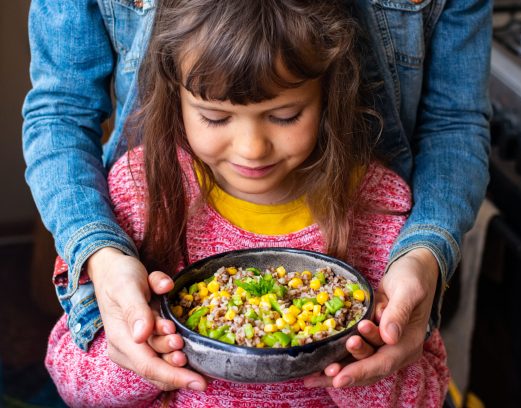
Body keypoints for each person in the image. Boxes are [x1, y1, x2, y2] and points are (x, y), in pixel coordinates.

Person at [23, 0, 490, 396]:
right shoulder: (139, 193)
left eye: (285, 115)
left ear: (332, 95)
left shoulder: (382, 205)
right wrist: (142, 357)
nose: (251, 149)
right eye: (214, 117)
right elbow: (70, 367)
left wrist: (360, 369)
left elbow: (423, 387)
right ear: (175, 98)